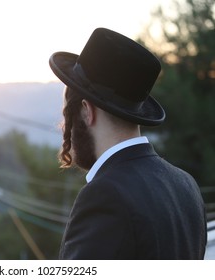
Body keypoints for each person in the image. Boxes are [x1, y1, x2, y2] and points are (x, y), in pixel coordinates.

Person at [49, 27, 207, 259]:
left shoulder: (105, 196)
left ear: (86, 111)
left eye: (67, 113)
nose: (64, 126)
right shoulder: (186, 186)